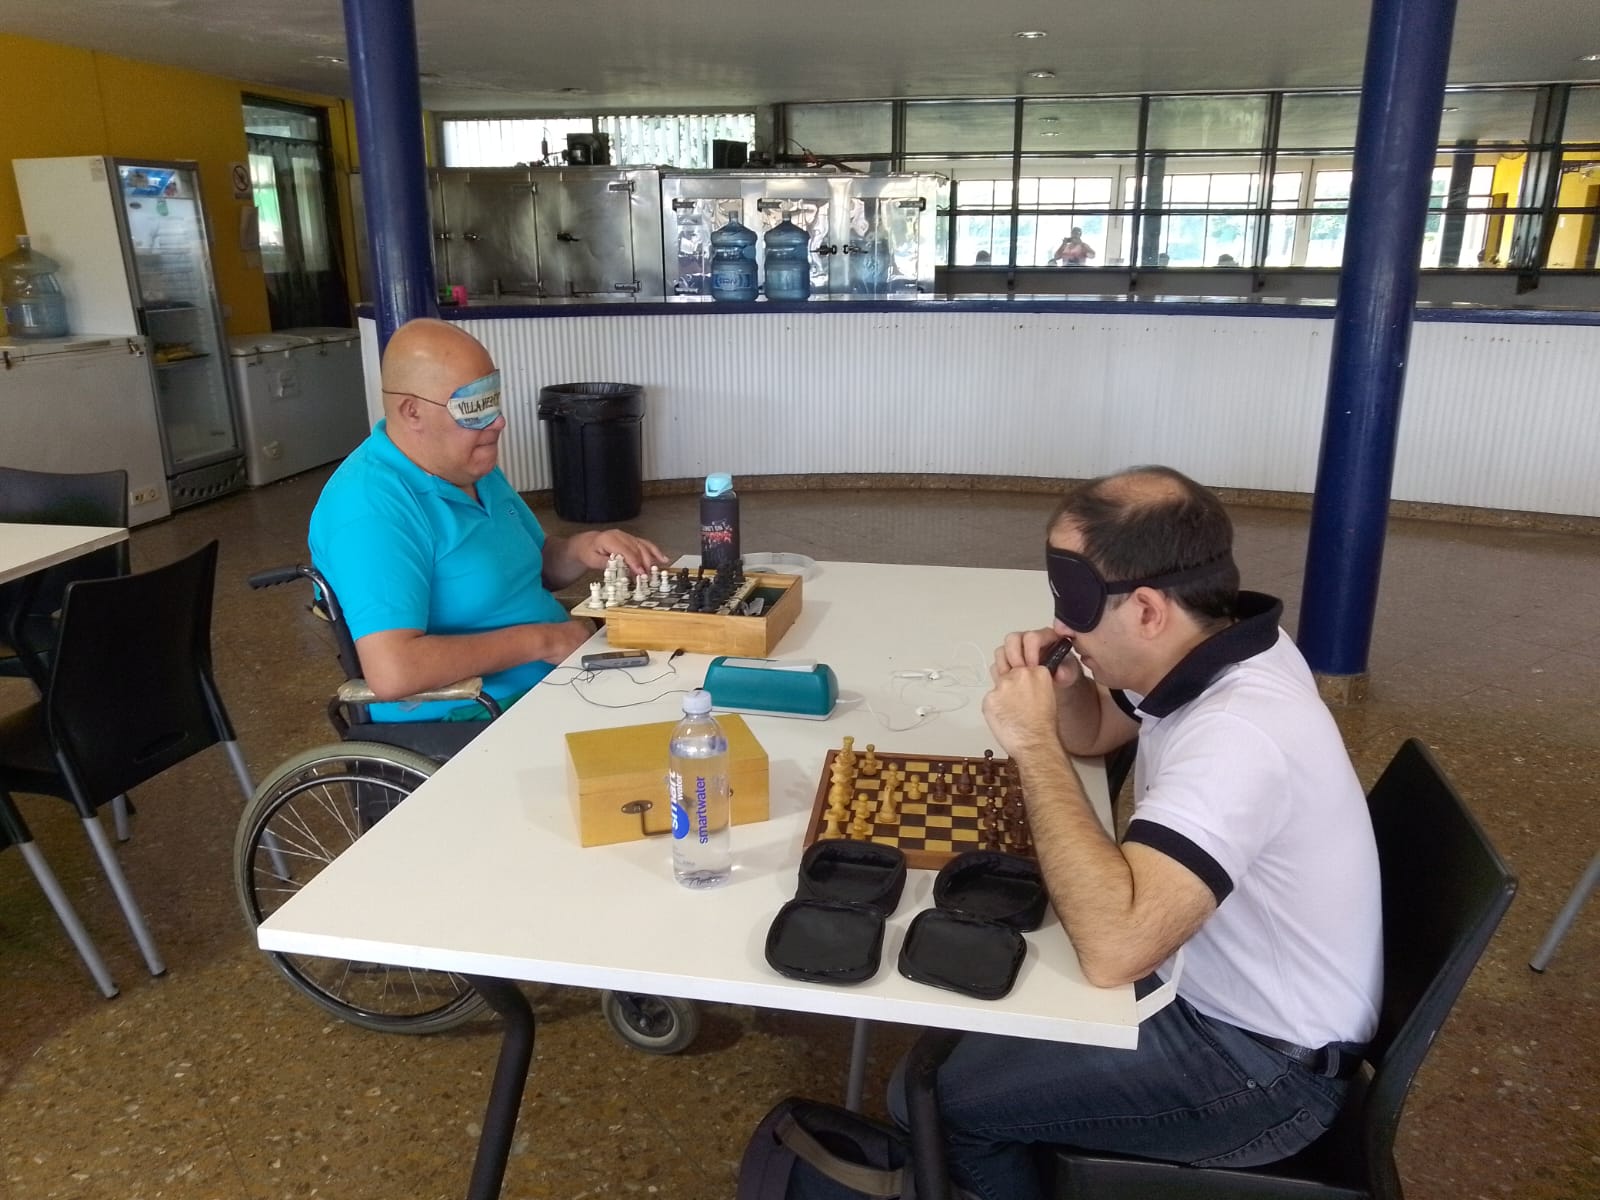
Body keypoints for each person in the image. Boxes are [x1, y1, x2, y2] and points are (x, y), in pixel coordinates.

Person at [889, 466, 1381, 1200]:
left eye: (1076, 604)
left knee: (929, 1103)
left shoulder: (1239, 733)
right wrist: (1065, 692)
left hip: (1257, 1064)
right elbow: (1096, 731)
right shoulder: (1220, 642)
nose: (1062, 626)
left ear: (1147, 610)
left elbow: (1115, 950)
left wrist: (1032, 744)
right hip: (1206, 978)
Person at [308, 318, 667, 721]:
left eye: (493, 400)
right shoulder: (370, 506)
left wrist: (583, 548)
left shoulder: (469, 467)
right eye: (473, 408)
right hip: (475, 716)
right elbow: (394, 670)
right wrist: (543, 641)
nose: (498, 422)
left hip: (556, 680)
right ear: (412, 411)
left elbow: (535, 566)